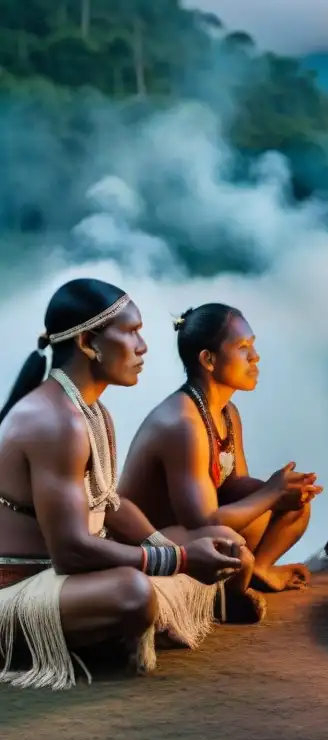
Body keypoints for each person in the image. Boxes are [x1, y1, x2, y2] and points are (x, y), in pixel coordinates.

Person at [0, 278, 243, 691]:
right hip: (20, 588)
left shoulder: (92, 412)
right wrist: (182, 561)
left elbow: (108, 504)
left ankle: (102, 635)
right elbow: (72, 551)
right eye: (131, 333)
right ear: (87, 343)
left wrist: (170, 547)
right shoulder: (55, 420)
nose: (143, 346)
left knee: (217, 537)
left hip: (66, 577)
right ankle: (64, 644)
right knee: (133, 593)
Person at [119, 302, 321, 605]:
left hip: (200, 529)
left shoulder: (227, 413)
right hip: (153, 540)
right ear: (208, 359)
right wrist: (271, 492)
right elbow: (203, 521)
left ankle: (260, 571)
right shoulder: (183, 424)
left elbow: (235, 487)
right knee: (230, 537)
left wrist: (284, 492)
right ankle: (231, 597)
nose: (255, 357)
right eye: (242, 347)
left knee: (294, 504)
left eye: (252, 345)